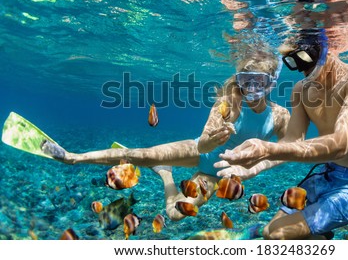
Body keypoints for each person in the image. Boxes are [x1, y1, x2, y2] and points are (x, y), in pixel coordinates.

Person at [42, 50, 290, 221]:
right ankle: (73, 157)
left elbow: (289, 150)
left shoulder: (280, 116)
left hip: (216, 175)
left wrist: (258, 165)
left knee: (175, 214)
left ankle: (165, 172)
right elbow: (203, 145)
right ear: (239, 80)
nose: (252, 88)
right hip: (197, 152)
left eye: (260, 81)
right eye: (246, 80)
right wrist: (212, 139)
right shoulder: (227, 103)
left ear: (272, 83)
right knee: (139, 155)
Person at [215, 29, 348, 239]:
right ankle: (320, 237)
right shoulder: (301, 89)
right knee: (270, 232)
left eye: (304, 58)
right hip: (326, 174)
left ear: (324, 49)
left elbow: (342, 143)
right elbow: (292, 140)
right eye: (292, 63)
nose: (302, 70)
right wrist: (255, 167)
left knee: (278, 235)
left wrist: (267, 149)